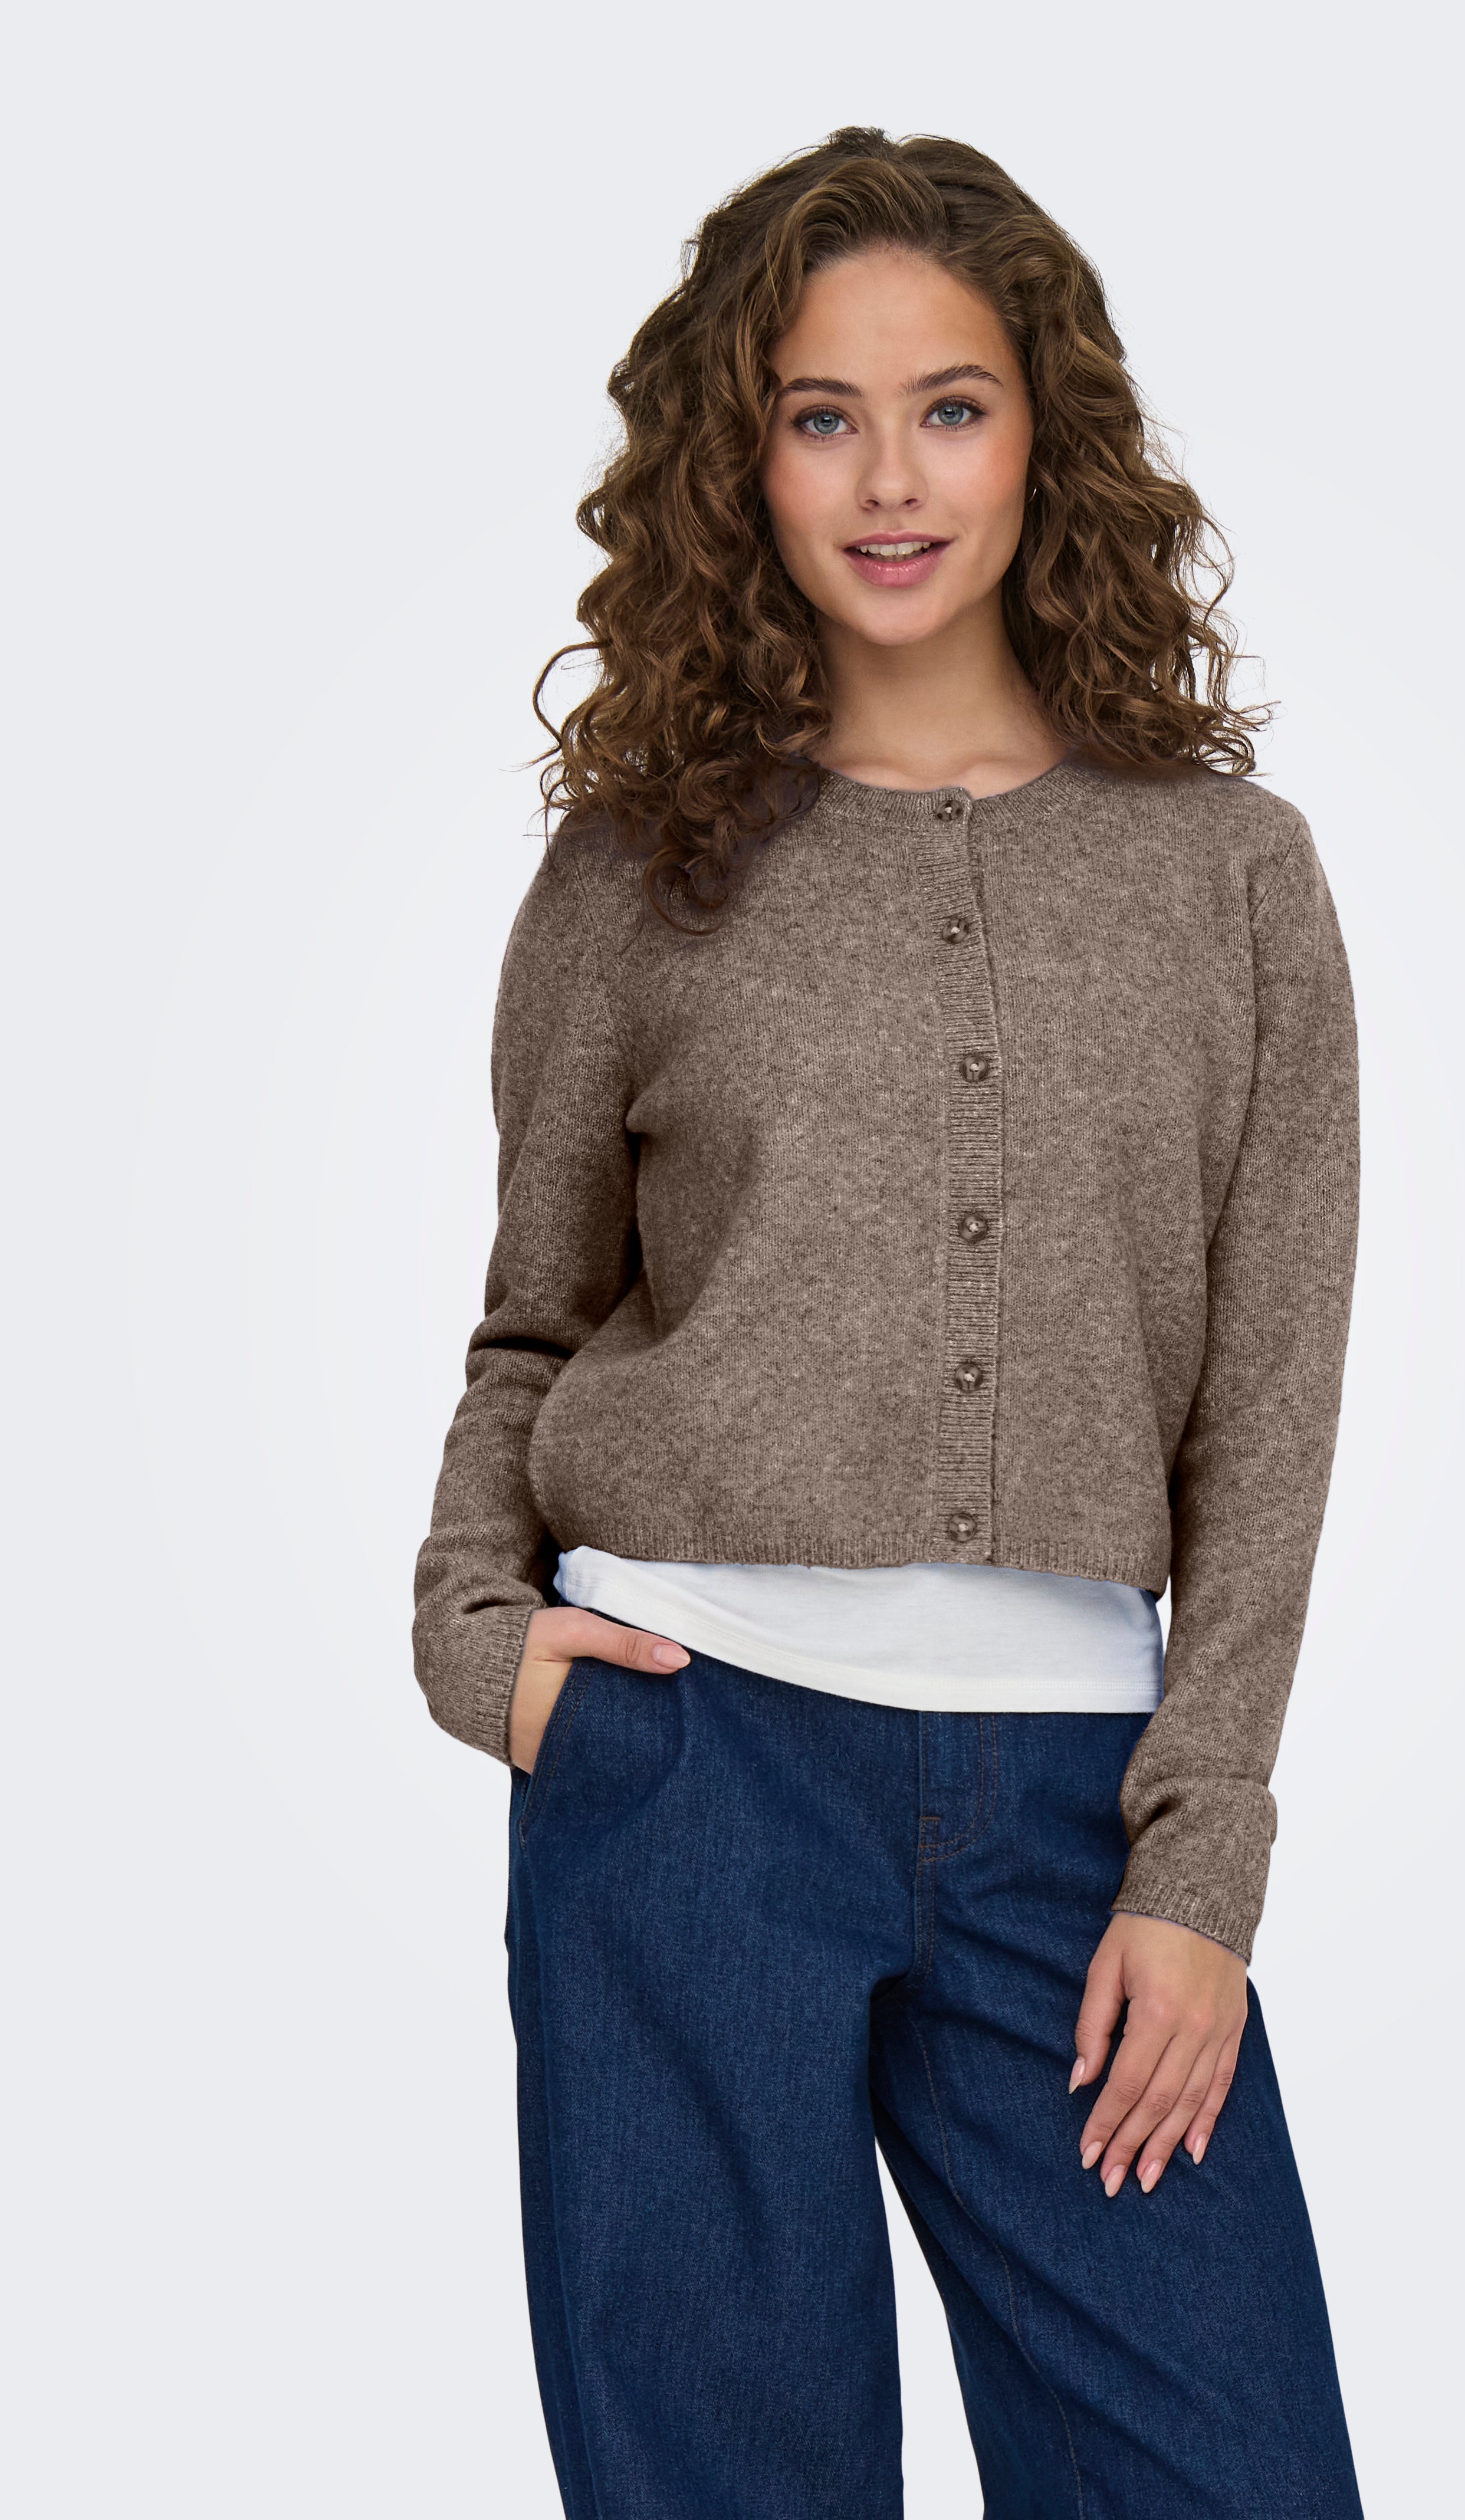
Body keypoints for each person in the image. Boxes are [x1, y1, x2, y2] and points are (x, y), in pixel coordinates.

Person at [413, 125, 1365, 2520]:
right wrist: (477, 1642)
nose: (890, 478)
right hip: (682, 1776)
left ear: (1047, 432)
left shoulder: (1228, 877)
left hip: (1076, 1813)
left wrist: (1202, 1864)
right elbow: (532, 1321)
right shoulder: (638, 870)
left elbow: (1270, 1405)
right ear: (740, 464)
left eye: (948, 406)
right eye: (819, 416)